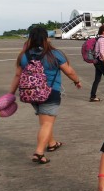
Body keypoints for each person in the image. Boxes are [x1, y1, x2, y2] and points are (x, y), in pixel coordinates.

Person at [9, 26, 82, 164]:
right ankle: (39, 152)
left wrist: (11, 94)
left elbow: (17, 75)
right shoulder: (54, 54)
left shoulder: (24, 55)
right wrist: (77, 81)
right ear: (46, 38)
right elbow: (69, 71)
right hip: (50, 93)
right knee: (47, 123)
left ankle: (52, 143)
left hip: (30, 93)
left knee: (45, 122)